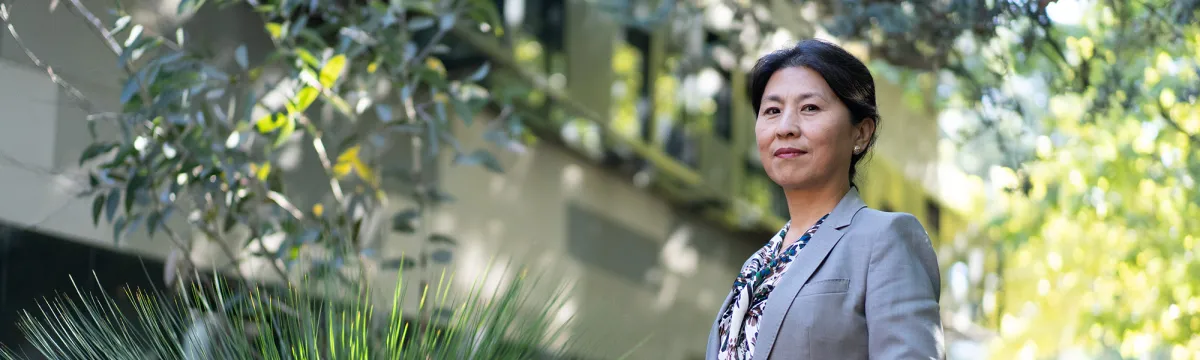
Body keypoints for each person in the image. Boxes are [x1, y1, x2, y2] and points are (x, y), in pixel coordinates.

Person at [704, 39, 945, 360]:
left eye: (810, 108)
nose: (786, 127)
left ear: (861, 133)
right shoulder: (757, 266)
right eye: (772, 111)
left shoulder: (885, 239)